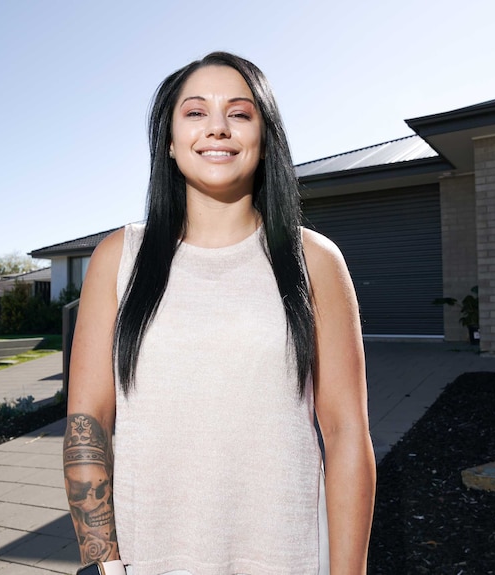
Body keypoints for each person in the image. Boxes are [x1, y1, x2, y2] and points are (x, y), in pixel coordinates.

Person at [64, 51, 375, 575]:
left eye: (239, 112)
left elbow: (346, 432)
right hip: (148, 562)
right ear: (168, 141)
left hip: (286, 559)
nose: (217, 127)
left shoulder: (314, 261)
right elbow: (87, 422)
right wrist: (104, 563)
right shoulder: (119, 259)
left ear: (264, 136)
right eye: (194, 112)